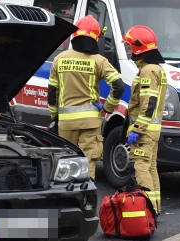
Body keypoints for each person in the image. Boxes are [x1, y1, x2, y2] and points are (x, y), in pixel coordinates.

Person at [48, 16, 125, 172]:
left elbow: (52, 93)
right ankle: (86, 194)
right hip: (91, 122)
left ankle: (68, 194)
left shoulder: (59, 59)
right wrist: (107, 108)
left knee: (66, 161)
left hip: (66, 123)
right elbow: (119, 85)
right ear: (96, 38)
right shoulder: (99, 61)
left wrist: (54, 117)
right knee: (88, 161)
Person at [122, 25, 167, 214]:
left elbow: (149, 103)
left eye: (130, 46)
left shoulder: (148, 70)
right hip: (152, 130)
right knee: (151, 167)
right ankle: (154, 208)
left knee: (141, 167)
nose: (128, 50)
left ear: (138, 48)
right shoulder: (156, 69)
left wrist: (137, 129)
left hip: (145, 131)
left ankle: (146, 209)